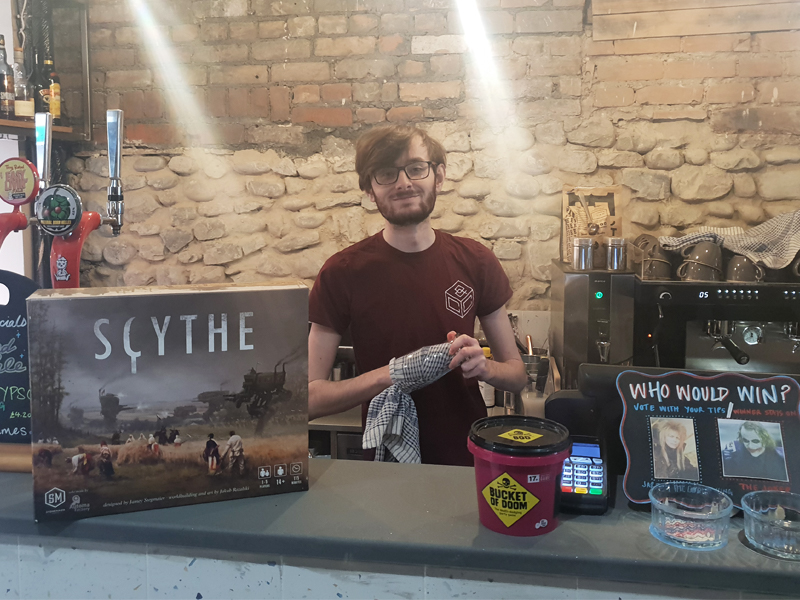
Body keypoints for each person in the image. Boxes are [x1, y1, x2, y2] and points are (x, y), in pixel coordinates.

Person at [308, 124, 527, 466]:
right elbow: (310, 398)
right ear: (370, 190)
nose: (403, 183)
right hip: (385, 466)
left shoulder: (476, 261)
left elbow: (516, 376)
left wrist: (484, 368)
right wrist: (393, 374)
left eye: (415, 168)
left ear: (438, 176)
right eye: (386, 173)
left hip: (467, 461)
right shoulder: (341, 272)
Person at [722, 421, 788, 481]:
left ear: (765, 440)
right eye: (746, 441)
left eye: (755, 441)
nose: (750, 446)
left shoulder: (781, 459)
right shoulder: (729, 456)